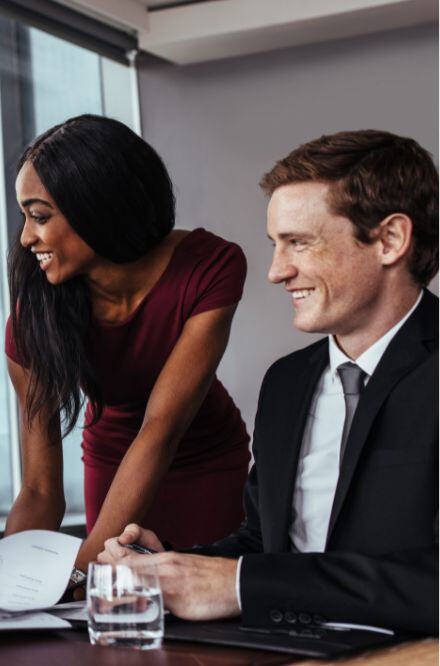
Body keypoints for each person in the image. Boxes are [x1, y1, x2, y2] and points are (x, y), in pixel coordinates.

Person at [98, 129, 438, 635]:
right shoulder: (287, 382)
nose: (277, 271)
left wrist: (240, 585)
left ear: (390, 240)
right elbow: (265, 544)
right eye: (276, 245)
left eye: (300, 243)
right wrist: (170, 566)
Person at [3, 114, 251, 569]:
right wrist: (7, 578)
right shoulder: (32, 320)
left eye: (39, 216)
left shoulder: (211, 265)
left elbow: (162, 427)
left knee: (211, 606)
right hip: (112, 462)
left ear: (96, 205)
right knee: (114, 598)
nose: (25, 237)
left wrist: (78, 572)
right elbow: (39, 489)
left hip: (205, 460)